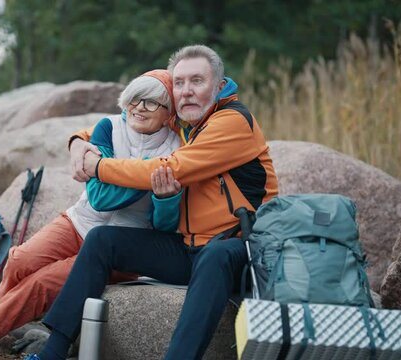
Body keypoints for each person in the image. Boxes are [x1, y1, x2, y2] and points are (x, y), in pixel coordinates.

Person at [28, 45, 278, 360]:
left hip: (238, 249)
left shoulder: (233, 122)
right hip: (190, 249)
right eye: (179, 83)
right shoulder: (189, 122)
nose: (186, 91)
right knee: (103, 240)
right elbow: (123, 120)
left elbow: (169, 168)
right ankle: (53, 350)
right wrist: (79, 140)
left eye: (197, 81)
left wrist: (99, 167)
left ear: (218, 85)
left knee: (216, 254)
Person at [0, 69, 183, 351]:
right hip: (79, 221)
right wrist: (146, 177)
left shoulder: (176, 151)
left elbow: (164, 225)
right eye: (135, 98)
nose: (140, 107)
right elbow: (98, 197)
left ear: (169, 113)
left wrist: (165, 199)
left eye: (152, 102)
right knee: (20, 259)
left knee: (42, 283)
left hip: (120, 243)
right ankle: (0, 324)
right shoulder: (108, 128)